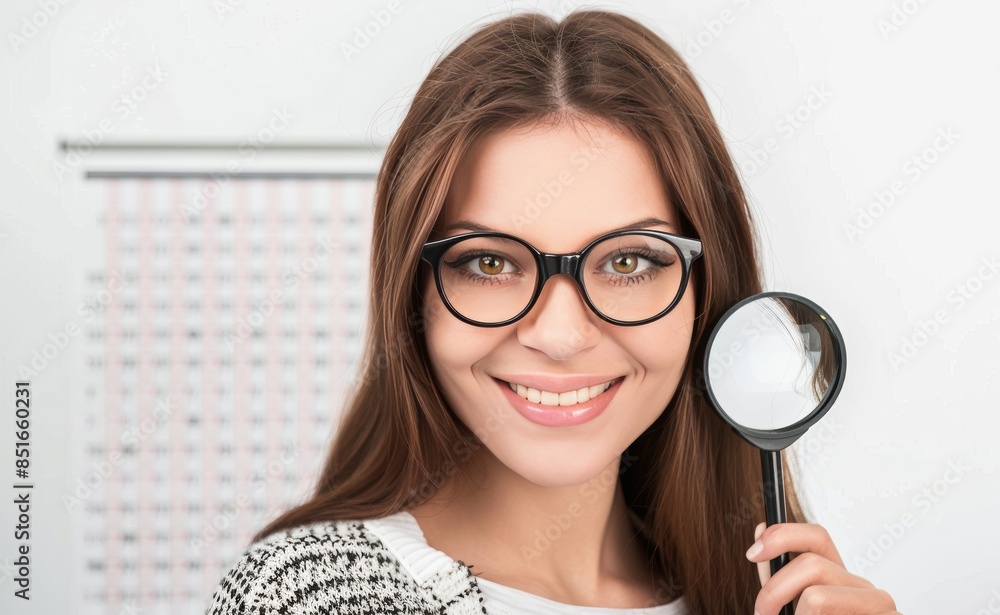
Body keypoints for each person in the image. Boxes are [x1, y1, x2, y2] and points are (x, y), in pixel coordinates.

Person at [206, 10, 899, 614]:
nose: (561, 335)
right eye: (490, 262)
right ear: (413, 292)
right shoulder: (313, 595)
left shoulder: (753, 596)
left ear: (704, 291)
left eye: (628, 261)